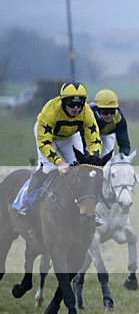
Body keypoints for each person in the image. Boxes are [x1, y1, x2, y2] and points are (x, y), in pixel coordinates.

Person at [17, 81, 102, 219]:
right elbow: (45, 144)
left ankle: (87, 208)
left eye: (79, 104)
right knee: (48, 168)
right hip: (48, 138)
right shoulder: (49, 111)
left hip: (69, 136)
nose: (76, 108)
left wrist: (93, 157)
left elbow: (94, 139)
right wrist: (59, 162)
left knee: (80, 168)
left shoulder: (86, 112)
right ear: (63, 102)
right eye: (71, 104)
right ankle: (27, 203)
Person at [89, 88, 132, 156]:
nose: (109, 115)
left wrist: (123, 156)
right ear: (97, 109)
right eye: (105, 112)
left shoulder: (118, 117)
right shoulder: (88, 114)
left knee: (108, 159)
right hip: (88, 136)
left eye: (112, 111)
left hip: (107, 135)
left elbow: (124, 143)